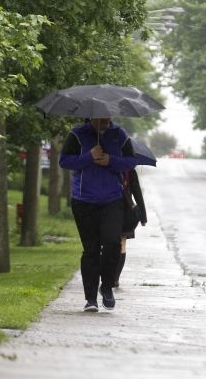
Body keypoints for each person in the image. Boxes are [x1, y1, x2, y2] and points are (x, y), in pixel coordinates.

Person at [60, 117, 136, 312]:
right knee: (91, 249)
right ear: (92, 115)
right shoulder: (77, 135)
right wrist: (89, 156)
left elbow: (131, 162)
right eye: (102, 116)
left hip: (112, 199)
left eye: (109, 116)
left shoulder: (119, 135)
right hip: (84, 200)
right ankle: (91, 298)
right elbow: (65, 161)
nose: (106, 120)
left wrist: (111, 160)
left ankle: (107, 286)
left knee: (112, 243)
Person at [114, 168, 147, 288]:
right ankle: (115, 278)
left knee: (109, 243)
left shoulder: (109, 166)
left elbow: (137, 192)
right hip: (127, 211)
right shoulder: (129, 170)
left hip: (111, 209)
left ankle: (111, 277)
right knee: (121, 244)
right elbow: (137, 193)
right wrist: (143, 216)